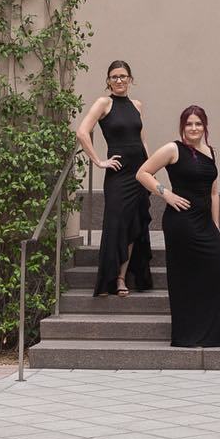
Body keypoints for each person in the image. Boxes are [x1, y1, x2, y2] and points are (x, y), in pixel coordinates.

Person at [136, 106, 220, 348]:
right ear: (182, 126)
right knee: (185, 276)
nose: (193, 128)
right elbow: (142, 173)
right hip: (181, 222)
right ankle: (188, 335)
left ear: (205, 126)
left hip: (204, 222)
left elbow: (214, 192)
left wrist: (216, 226)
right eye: (189, 124)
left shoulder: (210, 151)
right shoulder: (173, 149)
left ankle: (215, 334)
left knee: (219, 268)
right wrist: (166, 194)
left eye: (198, 124)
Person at [76, 60, 153, 296]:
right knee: (116, 223)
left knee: (133, 225)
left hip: (139, 171)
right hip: (118, 174)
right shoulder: (104, 103)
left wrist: (150, 167)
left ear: (130, 79)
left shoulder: (137, 105)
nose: (119, 80)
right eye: (114, 77)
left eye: (123, 76)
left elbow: (142, 140)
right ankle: (108, 278)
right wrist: (99, 161)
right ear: (108, 81)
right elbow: (82, 132)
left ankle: (121, 277)